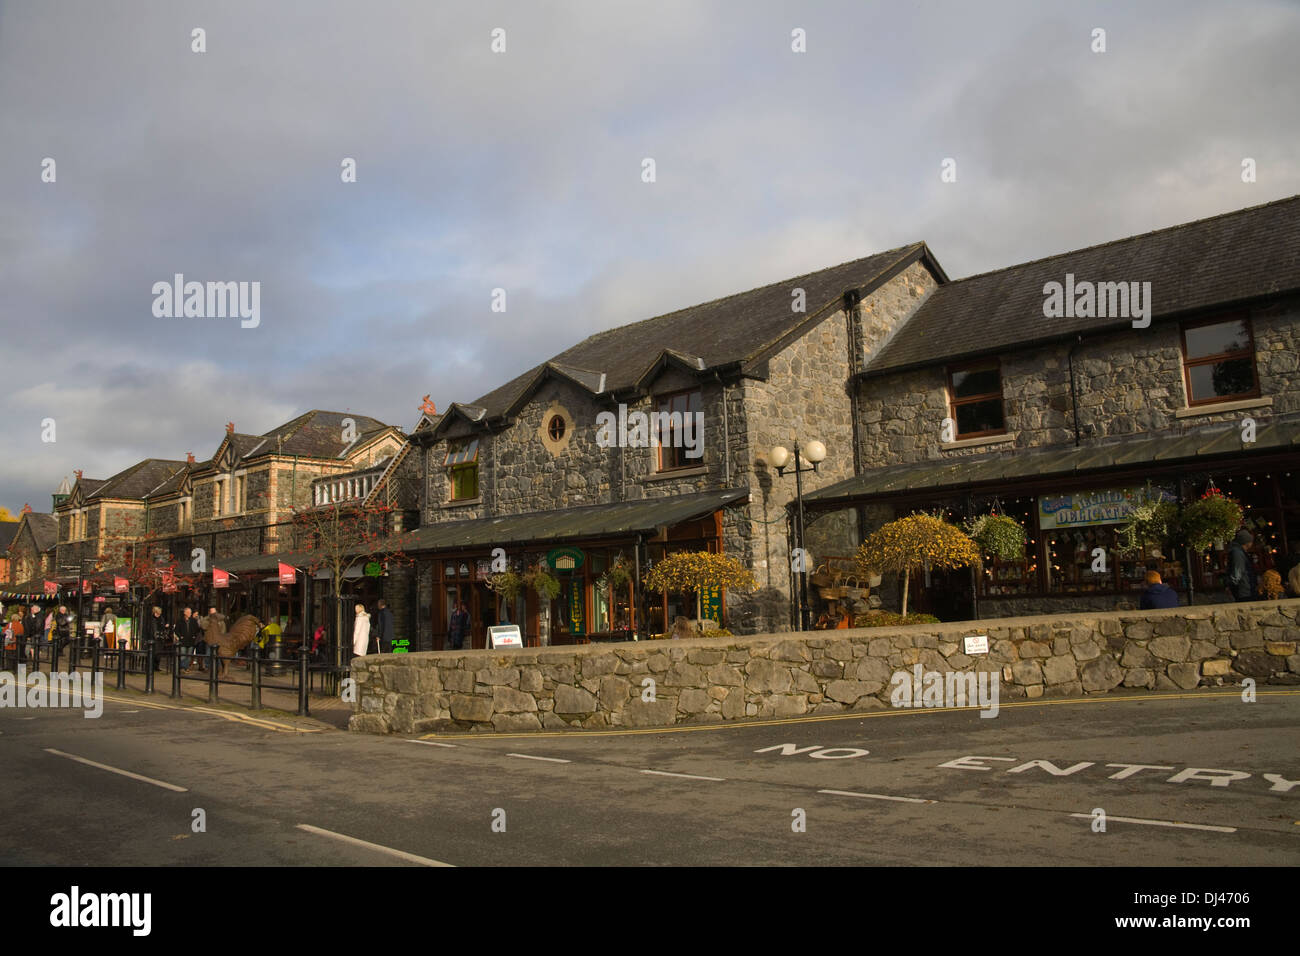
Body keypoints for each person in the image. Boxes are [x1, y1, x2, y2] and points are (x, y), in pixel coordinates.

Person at [1227, 529, 1258, 603]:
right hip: (1243, 590)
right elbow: (1238, 571)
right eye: (1250, 541)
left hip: (1245, 589)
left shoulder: (1239, 552)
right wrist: (1232, 585)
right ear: (1246, 542)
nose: (1252, 543)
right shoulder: (1238, 553)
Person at [143, 605, 170, 670]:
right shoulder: (151, 619)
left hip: (160, 638)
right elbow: (149, 629)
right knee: (152, 653)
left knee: (158, 654)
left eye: (159, 613)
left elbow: (162, 627)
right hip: (152, 638)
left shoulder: (161, 618)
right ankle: (150, 667)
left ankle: (156, 666)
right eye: (157, 613)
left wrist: (165, 627)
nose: (158, 614)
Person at [176, 606, 201, 672]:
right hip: (183, 640)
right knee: (183, 655)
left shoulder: (193, 621)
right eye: (188, 612)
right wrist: (180, 636)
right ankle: (182, 667)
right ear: (185, 613)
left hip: (191, 640)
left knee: (189, 656)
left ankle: (186, 667)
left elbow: (197, 629)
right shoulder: (180, 621)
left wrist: (194, 636)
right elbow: (176, 630)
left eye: (190, 612)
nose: (190, 613)